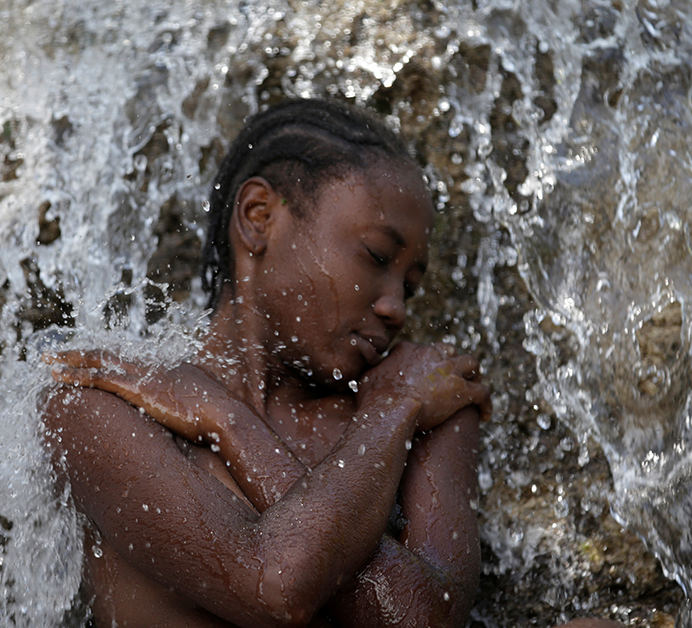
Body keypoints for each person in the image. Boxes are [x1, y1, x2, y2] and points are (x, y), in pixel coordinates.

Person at [42, 98, 621, 628]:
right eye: (376, 256)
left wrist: (230, 417)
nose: (395, 307)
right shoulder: (98, 396)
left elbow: (423, 620)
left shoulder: (420, 402)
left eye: (411, 288)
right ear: (259, 216)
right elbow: (274, 588)